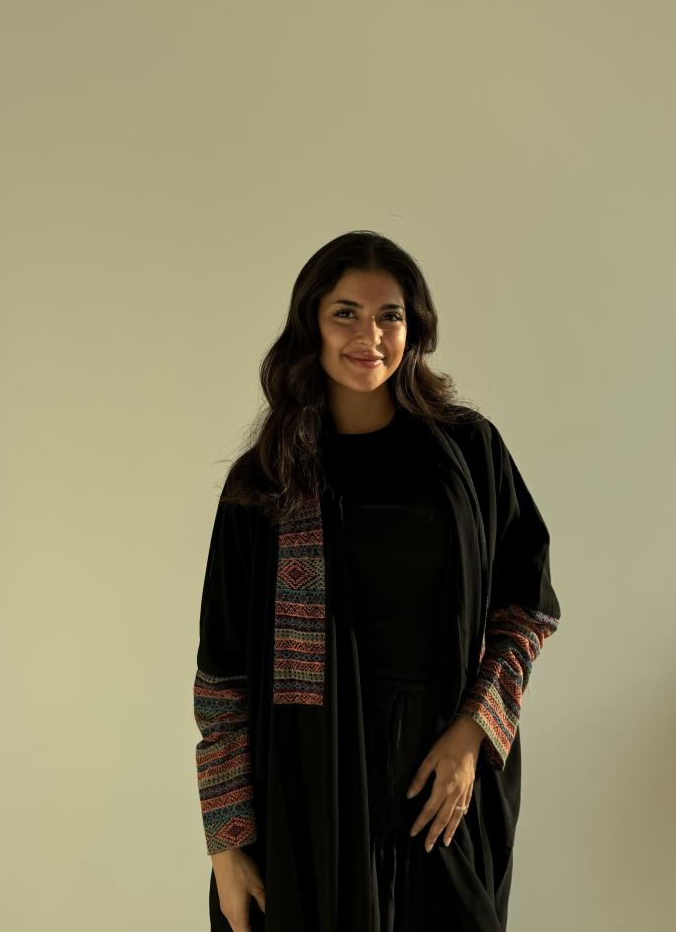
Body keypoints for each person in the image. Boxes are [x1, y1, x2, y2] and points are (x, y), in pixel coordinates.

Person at [192, 230, 562, 931]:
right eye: (346, 314)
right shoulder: (266, 482)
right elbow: (222, 679)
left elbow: (526, 608)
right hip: (308, 784)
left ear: (412, 327)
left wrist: (473, 732)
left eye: (389, 315)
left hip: (441, 788)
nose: (370, 336)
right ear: (310, 324)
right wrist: (226, 848)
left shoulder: (468, 451)